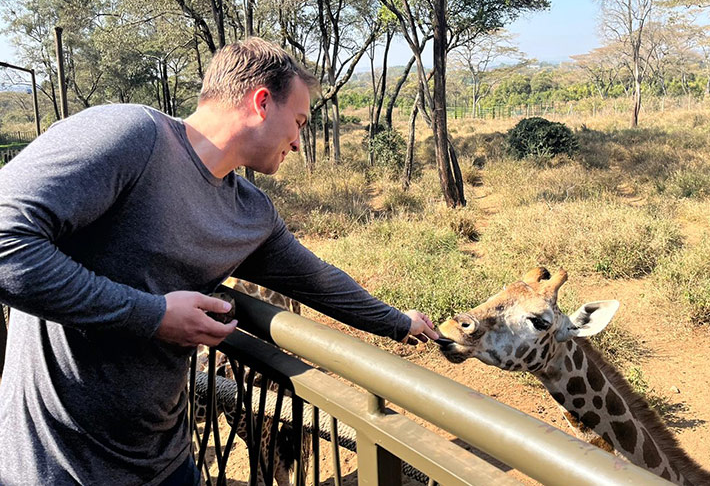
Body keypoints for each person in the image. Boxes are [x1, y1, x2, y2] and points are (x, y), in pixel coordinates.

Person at [0, 37, 438, 485]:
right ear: (262, 102)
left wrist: (399, 323)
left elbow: (317, 280)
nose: (299, 142)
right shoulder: (131, 136)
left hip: (166, 461)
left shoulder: (250, 213)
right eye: (299, 122)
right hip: (55, 463)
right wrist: (153, 316)